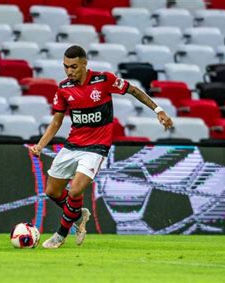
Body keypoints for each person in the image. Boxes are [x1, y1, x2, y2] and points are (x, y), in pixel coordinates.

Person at [30, 45, 173, 249]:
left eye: (73, 66)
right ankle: (79, 215)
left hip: (96, 147)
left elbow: (133, 90)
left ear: (84, 64)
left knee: (75, 190)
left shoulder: (103, 80)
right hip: (73, 145)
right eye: (65, 67)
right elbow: (56, 122)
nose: (69, 71)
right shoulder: (63, 88)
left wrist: (158, 110)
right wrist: (40, 145)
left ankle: (60, 235)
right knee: (52, 191)